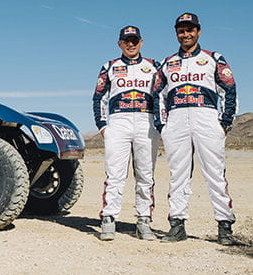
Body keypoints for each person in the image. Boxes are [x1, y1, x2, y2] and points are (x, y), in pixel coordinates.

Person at [153, 13, 237, 245]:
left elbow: (229, 89)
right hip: (176, 119)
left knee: (215, 173)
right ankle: (177, 224)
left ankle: (224, 226)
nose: (186, 34)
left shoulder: (214, 58)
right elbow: (157, 94)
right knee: (177, 174)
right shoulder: (167, 63)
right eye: (181, 30)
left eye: (190, 29)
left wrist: (224, 122)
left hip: (206, 116)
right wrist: (162, 125)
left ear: (198, 31)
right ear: (176, 33)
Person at [92, 26, 160, 241]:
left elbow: (162, 95)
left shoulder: (154, 66)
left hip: (146, 120)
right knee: (115, 174)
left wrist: (160, 123)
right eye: (126, 41)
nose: (131, 44)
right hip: (118, 121)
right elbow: (99, 97)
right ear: (119, 43)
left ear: (141, 42)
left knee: (145, 175)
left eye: (135, 40)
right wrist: (103, 125)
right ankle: (109, 218)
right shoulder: (110, 66)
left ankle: (144, 220)